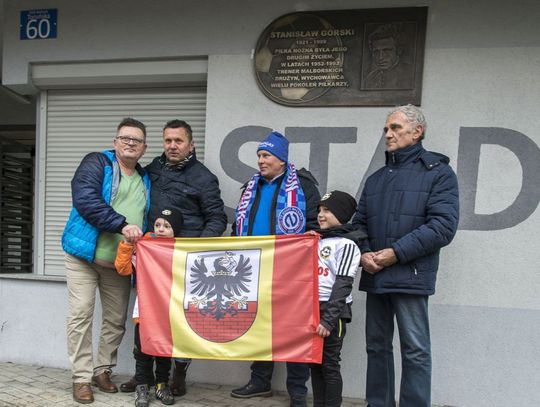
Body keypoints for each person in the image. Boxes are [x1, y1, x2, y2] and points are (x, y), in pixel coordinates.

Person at [352, 105, 459, 407]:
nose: (388, 134)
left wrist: (395, 254)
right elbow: (358, 225)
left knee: (415, 349)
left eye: (395, 128)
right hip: (376, 275)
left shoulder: (439, 174)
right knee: (376, 347)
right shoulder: (376, 180)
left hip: (410, 277)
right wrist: (364, 254)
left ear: (417, 131)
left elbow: (442, 227)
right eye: (386, 128)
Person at [120, 119, 227, 396]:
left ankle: (177, 373)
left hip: (184, 266)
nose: (172, 146)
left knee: (178, 323)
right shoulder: (152, 170)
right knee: (146, 319)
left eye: (178, 141)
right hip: (151, 262)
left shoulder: (204, 178)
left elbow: (217, 218)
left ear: (191, 144)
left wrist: (197, 252)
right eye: (168, 140)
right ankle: (143, 375)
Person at [62, 117, 151, 404]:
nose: (130, 143)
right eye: (125, 138)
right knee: (81, 315)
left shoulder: (145, 178)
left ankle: (103, 370)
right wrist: (122, 224)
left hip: (120, 263)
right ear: (115, 142)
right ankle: (81, 378)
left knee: (115, 321)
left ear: (143, 148)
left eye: (136, 140)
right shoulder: (97, 163)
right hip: (83, 257)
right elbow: (85, 199)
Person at [230, 131, 321, 407]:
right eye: (258, 155)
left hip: (291, 271)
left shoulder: (303, 186)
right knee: (259, 325)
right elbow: (238, 224)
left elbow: (315, 224)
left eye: (266, 155)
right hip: (254, 269)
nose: (260, 160)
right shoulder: (250, 186)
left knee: (294, 329)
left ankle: (297, 391)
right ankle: (260, 381)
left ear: (281, 159)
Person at [115, 207, 184, 407]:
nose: (161, 229)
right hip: (144, 312)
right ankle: (142, 386)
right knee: (143, 351)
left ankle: (162, 384)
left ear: (176, 230)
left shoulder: (181, 251)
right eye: (158, 225)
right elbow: (123, 268)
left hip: (169, 313)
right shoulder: (144, 248)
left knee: (163, 351)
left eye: (167, 226)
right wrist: (128, 245)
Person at [310, 191, 364, 407]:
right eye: (319, 210)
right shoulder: (316, 240)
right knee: (314, 364)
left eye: (327, 210)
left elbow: (342, 285)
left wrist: (329, 319)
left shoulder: (348, 245)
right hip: (312, 309)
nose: (321, 215)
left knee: (329, 365)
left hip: (333, 312)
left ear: (341, 214)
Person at [362, 24, 414, 90]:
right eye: (376, 51)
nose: (380, 57)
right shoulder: (370, 78)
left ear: (398, 50)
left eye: (386, 50)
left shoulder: (411, 74)